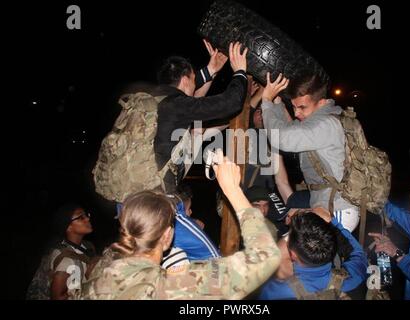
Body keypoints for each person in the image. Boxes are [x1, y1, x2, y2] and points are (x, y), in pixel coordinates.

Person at [79, 150, 281, 300]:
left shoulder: (96, 280)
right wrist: (233, 190)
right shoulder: (172, 287)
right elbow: (266, 256)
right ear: (167, 236)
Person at [260, 72, 360, 232]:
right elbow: (289, 128)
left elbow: (282, 137)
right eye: (294, 107)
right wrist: (277, 102)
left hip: (337, 210)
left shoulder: (325, 124)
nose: (297, 113)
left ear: (321, 103)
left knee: (300, 253)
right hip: (325, 206)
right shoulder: (320, 118)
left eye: (302, 107)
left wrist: (266, 102)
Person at [153, 42, 249, 192]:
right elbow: (231, 103)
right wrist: (240, 71)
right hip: (154, 192)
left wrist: (211, 70)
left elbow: (192, 99)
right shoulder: (178, 105)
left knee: (197, 128)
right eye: (193, 79)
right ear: (185, 80)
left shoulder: (155, 100)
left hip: (134, 180)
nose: (195, 82)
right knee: (199, 130)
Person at [259, 208, 367, 300]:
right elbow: (358, 254)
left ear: (292, 254)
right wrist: (332, 222)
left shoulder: (275, 292)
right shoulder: (353, 278)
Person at [27, 203, 96, 300]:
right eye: (81, 217)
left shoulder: (86, 246)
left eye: (86, 215)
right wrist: (89, 284)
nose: (87, 219)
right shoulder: (68, 261)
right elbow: (58, 297)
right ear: (68, 227)